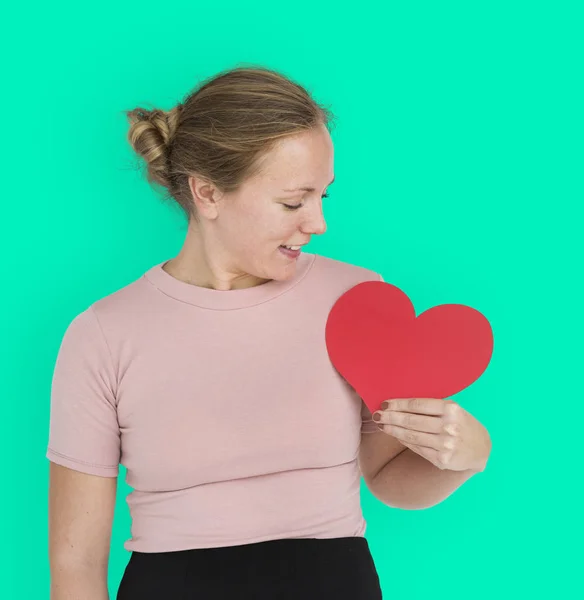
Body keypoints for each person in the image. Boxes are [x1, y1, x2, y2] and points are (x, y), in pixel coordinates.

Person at [47, 65, 400, 600]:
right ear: (207, 193)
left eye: (322, 196)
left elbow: (392, 475)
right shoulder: (102, 336)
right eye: (293, 200)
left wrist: (465, 454)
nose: (318, 222)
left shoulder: (357, 300)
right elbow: (76, 565)